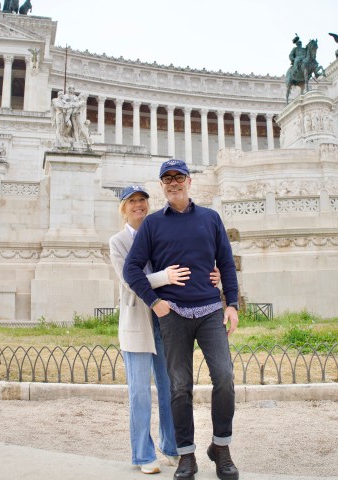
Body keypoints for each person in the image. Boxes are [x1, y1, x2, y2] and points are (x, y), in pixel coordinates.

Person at [123, 159, 240, 480]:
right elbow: (131, 269)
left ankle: (221, 448)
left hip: (210, 311)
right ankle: (186, 455)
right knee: (179, 386)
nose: (173, 183)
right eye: (167, 179)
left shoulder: (210, 218)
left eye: (179, 177)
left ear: (189, 181)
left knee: (225, 378)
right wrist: (155, 301)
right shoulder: (153, 224)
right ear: (162, 185)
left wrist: (232, 305)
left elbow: (226, 264)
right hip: (173, 314)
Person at [109, 184, 220, 475]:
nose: (139, 206)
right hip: (137, 323)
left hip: (166, 320)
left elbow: (185, 261)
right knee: (140, 393)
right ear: (124, 208)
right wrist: (165, 276)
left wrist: (212, 272)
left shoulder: (159, 230)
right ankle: (144, 454)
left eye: (143, 200)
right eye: (132, 201)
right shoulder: (118, 241)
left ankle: (171, 448)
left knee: (171, 387)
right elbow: (129, 280)